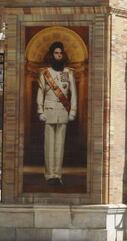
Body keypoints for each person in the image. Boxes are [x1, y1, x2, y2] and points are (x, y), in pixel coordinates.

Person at [37, 41, 77, 185]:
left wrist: (72, 111)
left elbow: (74, 94)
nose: (58, 55)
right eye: (56, 53)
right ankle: (49, 175)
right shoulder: (45, 73)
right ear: (52, 54)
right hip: (48, 112)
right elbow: (40, 93)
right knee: (49, 146)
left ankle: (57, 175)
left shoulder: (68, 73)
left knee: (60, 146)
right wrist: (40, 111)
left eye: (60, 53)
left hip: (63, 111)